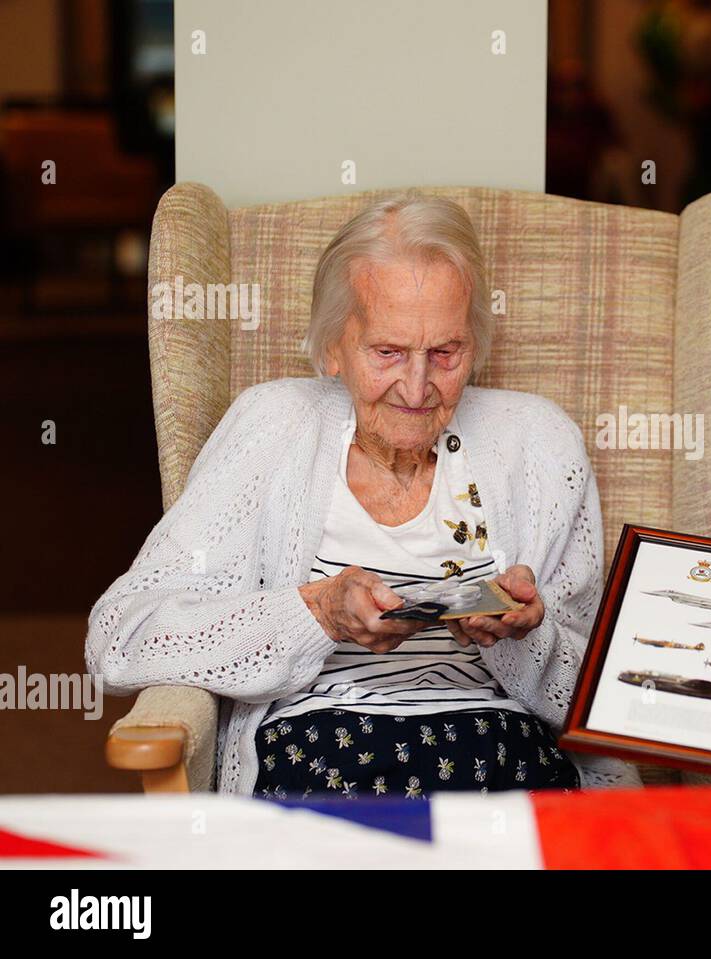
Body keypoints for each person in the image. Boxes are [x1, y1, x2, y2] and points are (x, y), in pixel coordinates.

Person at [87, 192, 640, 797]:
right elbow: (120, 640)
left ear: (475, 343)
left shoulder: (541, 441)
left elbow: (603, 700)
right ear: (332, 346)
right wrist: (318, 612)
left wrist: (523, 636)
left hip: (500, 757)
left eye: (445, 353)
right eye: (387, 352)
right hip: (322, 751)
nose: (417, 385)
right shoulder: (271, 426)